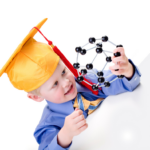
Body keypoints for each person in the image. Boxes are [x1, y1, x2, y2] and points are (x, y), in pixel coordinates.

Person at [0, 18, 141, 150]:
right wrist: (65, 135)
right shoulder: (49, 123)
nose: (66, 82)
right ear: (36, 97)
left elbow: (120, 83)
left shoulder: (87, 80)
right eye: (55, 84)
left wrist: (127, 71)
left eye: (63, 72)